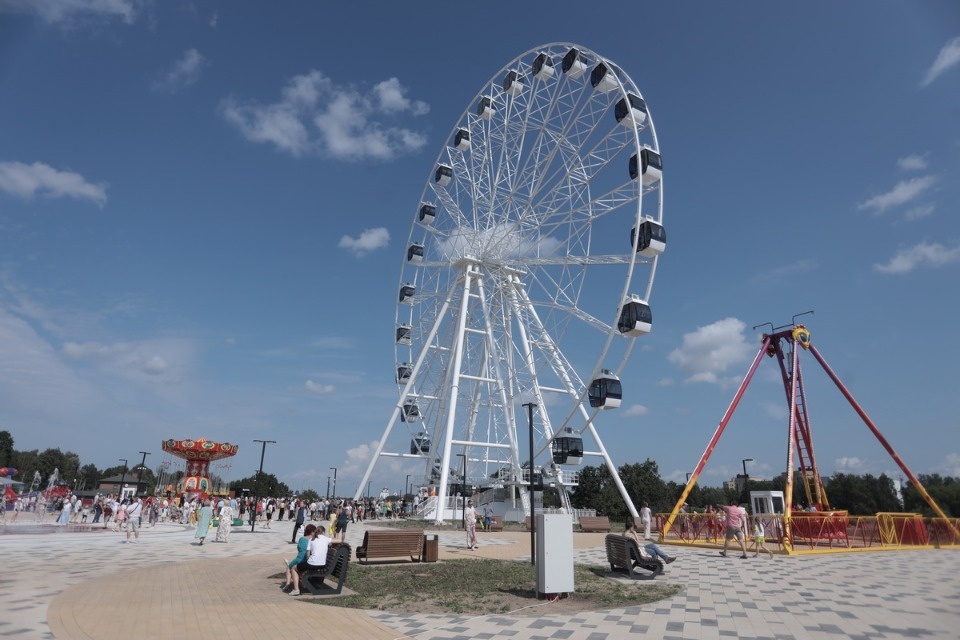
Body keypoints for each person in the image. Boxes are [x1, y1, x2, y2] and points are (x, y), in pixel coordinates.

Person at [281, 523, 317, 596]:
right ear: (312, 532)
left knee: (289, 567)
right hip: (307, 560)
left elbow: (299, 549)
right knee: (291, 566)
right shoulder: (314, 540)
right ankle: (292, 584)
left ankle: (287, 583)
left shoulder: (302, 539)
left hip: (299, 559)